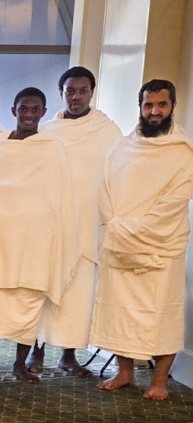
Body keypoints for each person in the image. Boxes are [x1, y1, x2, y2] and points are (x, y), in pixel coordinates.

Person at [91, 80, 193, 401]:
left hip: (162, 246)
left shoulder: (182, 152)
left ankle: (159, 380)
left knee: (162, 314)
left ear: (172, 106)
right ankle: (124, 372)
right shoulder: (121, 148)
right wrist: (118, 227)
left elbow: (174, 202)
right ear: (140, 107)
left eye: (162, 105)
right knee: (121, 311)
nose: (155, 111)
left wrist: (135, 229)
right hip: (120, 244)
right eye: (149, 105)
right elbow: (105, 191)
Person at [0, 88, 75, 384]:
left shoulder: (52, 148)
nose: (29, 114)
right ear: (13, 110)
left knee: (28, 303)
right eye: (23, 109)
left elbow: (59, 195)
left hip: (34, 241)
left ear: (43, 112)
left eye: (34, 109)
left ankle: (20, 364)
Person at [32, 66, 124, 375]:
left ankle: (68, 355)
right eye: (70, 91)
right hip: (52, 225)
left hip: (88, 224)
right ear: (61, 93)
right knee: (44, 289)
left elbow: (117, 176)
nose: (76, 97)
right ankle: (35, 350)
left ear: (91, 93)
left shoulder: (107, 132)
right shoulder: (47, 132)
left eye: (83, 91)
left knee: (78, 293)